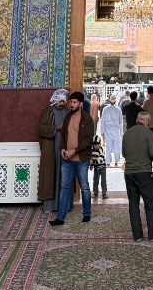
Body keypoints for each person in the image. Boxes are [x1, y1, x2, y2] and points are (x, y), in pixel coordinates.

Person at [50, 91, 94, 226]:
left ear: (80, 104)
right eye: (71, 102)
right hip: (67, 160)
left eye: (74, 102)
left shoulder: (87, 119)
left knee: (85, 187)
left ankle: (86, 214)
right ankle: (60, 217)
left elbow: (88, 140)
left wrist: (74, 151)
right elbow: (63, 135)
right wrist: (63, 149)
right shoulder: (68, 116)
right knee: (64, 187)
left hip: (81, 160)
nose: (72, 104)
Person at [122, 111, 153, 241]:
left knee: (133, 204)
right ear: (146, 122)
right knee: (149, 203)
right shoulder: (148, 133)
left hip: (130, 173)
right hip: (144, 173)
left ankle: (137, 236)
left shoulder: (127, 133)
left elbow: (124, 153)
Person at [38, 88, 67, 213]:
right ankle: (49, 206)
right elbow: (41, 128)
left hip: (64, 148)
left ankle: (63, 205)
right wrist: (55, 128)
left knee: (63, 176)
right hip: (50, 148)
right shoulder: (48, 112)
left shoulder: (67, 112)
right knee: (50, 176)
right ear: (55, 100)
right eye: (60, 101)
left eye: (63, 101)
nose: (62, 103)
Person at [100, 93, 125, 166]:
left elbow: (103, 121)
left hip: (108, 130)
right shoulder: (118, 109)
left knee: (108, 147)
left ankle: (108, 162)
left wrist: (102, 131)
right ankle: (116, 162)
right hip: (116, 130)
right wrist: (121, 132)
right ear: (115, 101)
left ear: (110, 101)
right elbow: (121, 122)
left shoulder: (105, 109)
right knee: (117, 146)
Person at [90, 133, 107, 200]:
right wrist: (91, 165)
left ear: (99, 144)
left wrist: (93, 162)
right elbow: (91, 158)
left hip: (102, 168)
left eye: (97, 144)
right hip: (96, 168)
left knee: (103, 181)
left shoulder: (101, 150)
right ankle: (95, 193)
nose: (96, 146)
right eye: (94, 144)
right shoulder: (92, 151)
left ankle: (104, 193)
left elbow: (100, 159)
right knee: (95, 181)